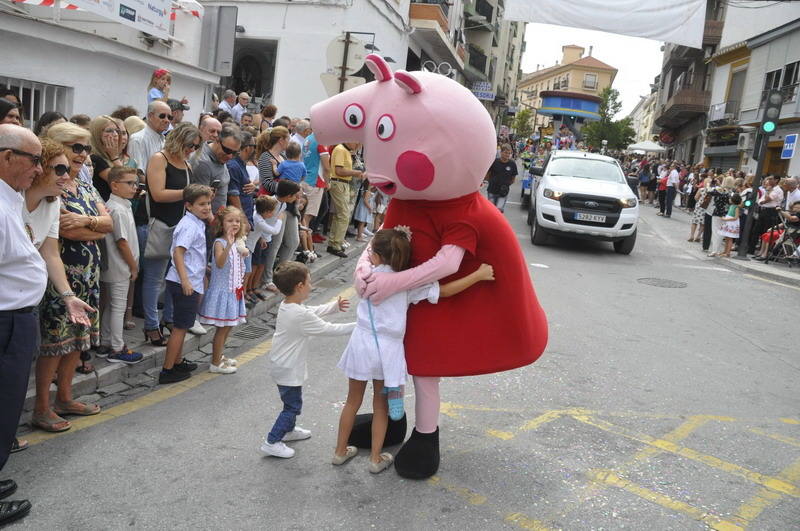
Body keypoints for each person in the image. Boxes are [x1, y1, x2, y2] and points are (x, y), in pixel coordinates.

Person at [333, 228, 495, 473]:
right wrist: (478, 275)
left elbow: (366, 255)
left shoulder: (365, 275)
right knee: (381, 406)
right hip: (387, 350)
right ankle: (375, 459)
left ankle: (339, 452)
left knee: (352, 401)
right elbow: (445, 291)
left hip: (361, 343)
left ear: (376, 256)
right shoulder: (407, 283)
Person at [35, 122, 113, 427]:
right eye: (75, 147)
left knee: (78, 340)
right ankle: (42, 407)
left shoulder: (83, 183)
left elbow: (109, 225)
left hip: (88, 275)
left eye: (86, 148)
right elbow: (62, 232)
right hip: (60, 279)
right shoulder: (48, 181)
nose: (82, 154)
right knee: (54, 343)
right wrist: (94, 226)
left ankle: (64, 398)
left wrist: (86, 222)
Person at [260, 262, 355, 459]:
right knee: (292, 406)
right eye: (309, 282)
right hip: (288, 369)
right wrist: (360, 325)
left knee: (292, 402)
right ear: (299, 286)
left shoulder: (289, 305)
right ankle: (272, 441)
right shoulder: (298, 314)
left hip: (283, 366)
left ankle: (289, 431)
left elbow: (311, 312)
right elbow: (328, 329)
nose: (312, 285)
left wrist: (333, 307)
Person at [0, 124, 45, 526]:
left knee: (7, 403)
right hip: (4, 321)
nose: (39, 168)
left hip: (15, 317)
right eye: (34, 159)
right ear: (6, 156)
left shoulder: (9, 196)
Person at [141, 122, 201, 346]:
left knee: (172, 277)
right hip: (162, 224)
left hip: (180, 226)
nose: (192, 149)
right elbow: (157, 194)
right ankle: (151, 325)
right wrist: (189, 193)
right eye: (189, 145)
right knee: (155, 279)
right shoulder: (160, 158)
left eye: (195, 146)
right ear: (178, 139)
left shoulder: (186, 162)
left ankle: (168, 318)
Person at [160, 184, 214, 384]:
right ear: (188, 206)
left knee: (184, 324)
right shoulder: (189, 225)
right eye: (201, 204)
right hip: (185, 282)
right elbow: (178, 252)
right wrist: (185, 280)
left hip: (191, 279)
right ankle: (167, 369)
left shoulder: (197, 222)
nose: (207, 207)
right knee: (180, 327)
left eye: (208, 203)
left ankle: (178, 361)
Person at [98, 167, 144, 364]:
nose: (134, 187)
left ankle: (106, 341)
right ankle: (117, 347)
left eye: (136, 183)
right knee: (119, 306)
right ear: (115, 185)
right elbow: (122, 241)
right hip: (120, 265)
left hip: (118, 265)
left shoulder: (122, 205)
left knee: (112, 305)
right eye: (130, 183)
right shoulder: (116, 208)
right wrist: (133, 267)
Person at [198, 206, 249, 374]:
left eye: (237, 221)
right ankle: (215, 363)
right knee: (222, 329)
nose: (234, 224)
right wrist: (229, 244)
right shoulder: (219, 242)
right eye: (230, 221)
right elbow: (219, 263)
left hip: (232, 291)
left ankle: (219, 356)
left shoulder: (236, 242)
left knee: (228, 327)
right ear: (221, 223)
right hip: (222, 293)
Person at [191, 123, 242, 215]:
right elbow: (200, 202)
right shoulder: (203, 162)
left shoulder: (220, 157)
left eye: (234, 153)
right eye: (227, 150)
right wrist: (214, 223)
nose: (230, 156)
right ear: (217, 140)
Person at [327, 142, 362, 257]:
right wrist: (356, 172)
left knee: (341, 215)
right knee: (344, 215)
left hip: (343, 183)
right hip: (339, 183)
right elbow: (339, 171)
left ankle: (334, 242)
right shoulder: (341, 149)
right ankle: (336, 244)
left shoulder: (345, 150)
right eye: (357, 142)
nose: (358, 145)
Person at [245, 196, 282, 300]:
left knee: (254, 267)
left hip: (254, 243)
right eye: (272, 212)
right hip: (248, 246)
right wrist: (279, 220)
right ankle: (245, 292)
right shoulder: (259, 220)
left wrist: (261, 238)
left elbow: (255, 230)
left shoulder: (259, 217)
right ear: (266, 212)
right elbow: (274, 231)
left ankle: (251, 289)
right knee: (248, 271)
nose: (273, 214)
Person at [299, 130, 330, 241]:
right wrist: (327, 182)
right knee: (307, 216)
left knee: (304, 215)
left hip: (306, 178)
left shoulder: (308, 138)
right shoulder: (321, 141)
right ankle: (304, 245)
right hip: (315, 181)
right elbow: (326, 167)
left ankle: (305, 243)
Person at [89, 115, 125, 201]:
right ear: (97, 135)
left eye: (117, 131)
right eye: (109, 131)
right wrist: (114, 157)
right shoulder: (95, 158)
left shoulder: (107, 156)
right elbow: (123, 182)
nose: (115, 135)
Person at [129, 101, 171, 170]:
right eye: (162, 116)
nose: (167, 120)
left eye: (169, 117)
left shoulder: (164, 140)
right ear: (150, 116)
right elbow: (137, 172)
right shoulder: (137, 139)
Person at [483, 144, 517, 213]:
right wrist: (492, 181)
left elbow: (513, 179)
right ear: (501, 152)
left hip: (503, 192)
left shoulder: (512, 164)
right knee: (491, 211)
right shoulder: (494, 162)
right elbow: (487, 175)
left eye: (509, 153)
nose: (507, 155)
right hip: (492, 190)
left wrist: (506, 185)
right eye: (505, 152)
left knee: (499, 211)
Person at [717, 193, 742, 258]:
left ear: (734, 200)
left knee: (730, 238)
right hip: (729, 222)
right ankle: (725, 251)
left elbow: (736, 217)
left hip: (732, 223)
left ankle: (728, 252)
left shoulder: (736, 207)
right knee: (727, 238)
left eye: (730, 198)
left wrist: (726, 219)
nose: (729, 199)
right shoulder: (731, 206)